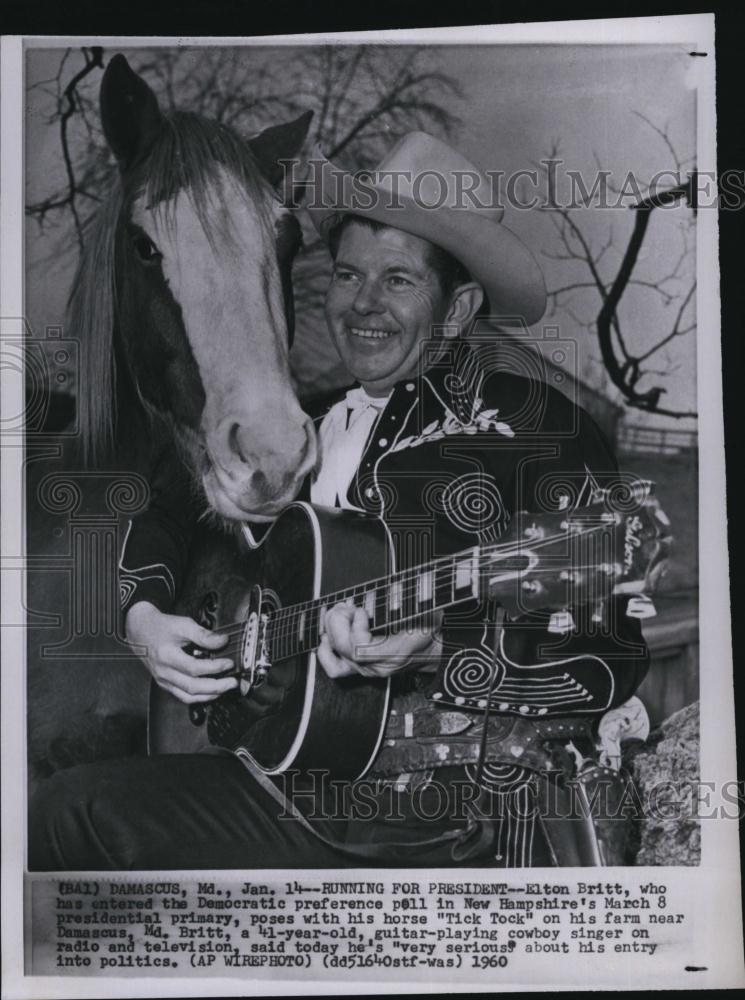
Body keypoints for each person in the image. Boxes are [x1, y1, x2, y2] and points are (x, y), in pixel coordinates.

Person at [29, 132, 649, 870]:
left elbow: (607, 658)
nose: (362, 303)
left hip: (448, 817)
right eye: (348, 274)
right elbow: (168, 500)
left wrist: (445, 650)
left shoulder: (539, 428)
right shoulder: (315, 433)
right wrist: (142, 621)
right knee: (68, 810)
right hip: (294, 787)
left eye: (397, 279)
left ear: (458, 310)